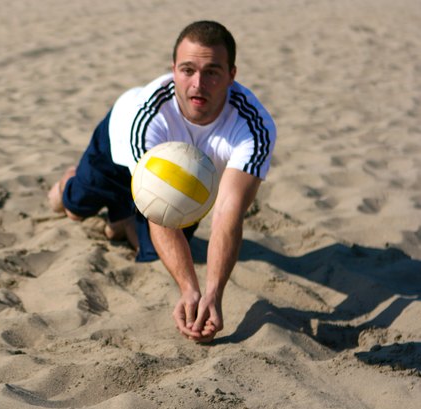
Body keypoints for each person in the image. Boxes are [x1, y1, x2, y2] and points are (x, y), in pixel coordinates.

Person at [48, 21, 276, 343]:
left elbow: (228, 211)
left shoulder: (254, 127)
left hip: (180, 183)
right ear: (173, 70)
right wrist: (188, 288)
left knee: (150, 251)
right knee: (74, 208)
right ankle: (67, 185)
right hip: (115, 150)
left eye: (212, 72)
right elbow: (158, 210)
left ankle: (119, 220)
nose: (198, 84)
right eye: (187, 70)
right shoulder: (148, 114)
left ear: (231, 75)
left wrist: (210, 295)